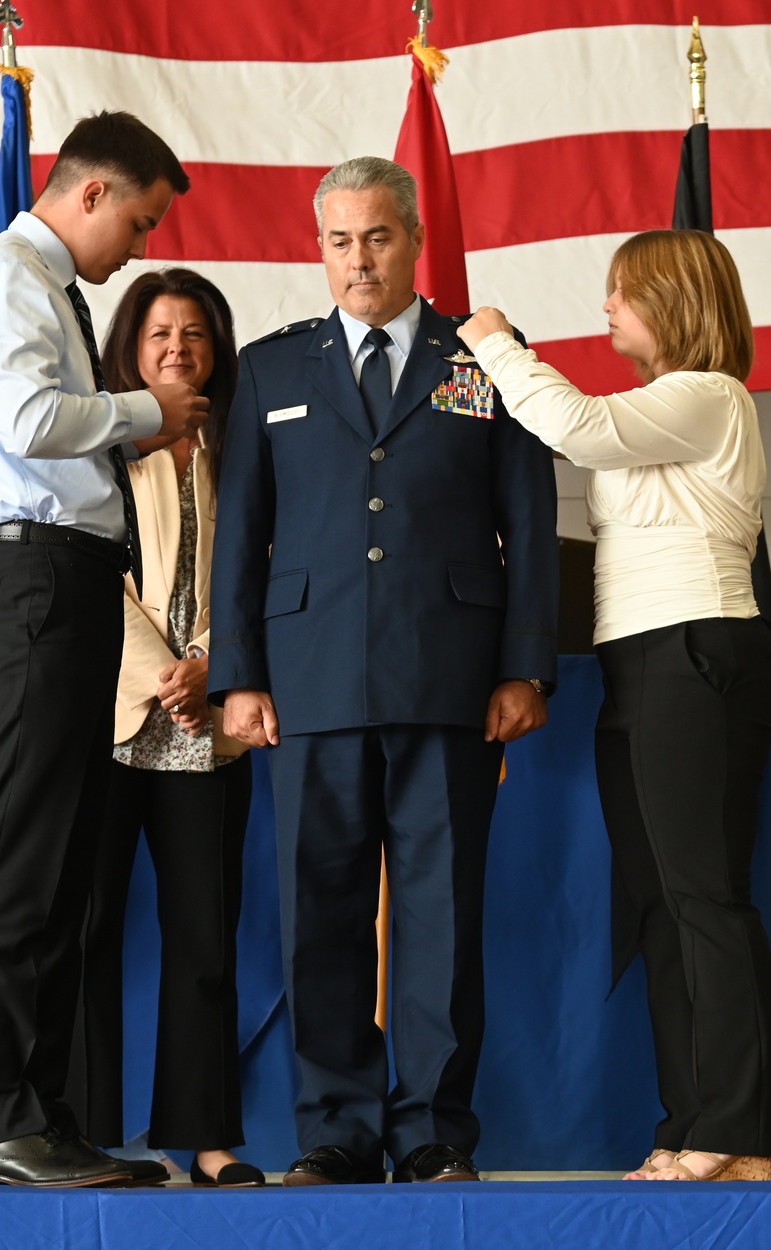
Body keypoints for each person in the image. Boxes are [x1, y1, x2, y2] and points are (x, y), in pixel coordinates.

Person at [207, 156, 560, 1186]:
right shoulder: (272, 367)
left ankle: (433, 1130)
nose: (357, 260)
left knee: (440, 915)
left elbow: (529, 524)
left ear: (412, 239)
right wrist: (240, 672)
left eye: (376, 238)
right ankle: (335, 1129)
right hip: (307, 678)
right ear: (318, 249)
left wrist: (525, 664)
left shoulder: (482, 356)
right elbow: (244, 536)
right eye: (337, 241)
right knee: (318, 911)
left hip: (452, 676)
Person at [458, 228, 771, 1182]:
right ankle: (698, 1124)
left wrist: (493, 341)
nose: (605, 308)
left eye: (620, 292)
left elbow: (576, 428)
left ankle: (740, 1129)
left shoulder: (708, 396)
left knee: (702, 898)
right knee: (657, 905)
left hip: (701, 655)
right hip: (643, 661)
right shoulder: (664, 409)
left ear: (672, 301)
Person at [0, 111, 208, 1187]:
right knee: (18, 863)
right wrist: (147, 408)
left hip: (71, 584)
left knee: (57, 869)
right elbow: (23, 413)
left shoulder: (51, 290)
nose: (138, 247)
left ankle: (42, 1117)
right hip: (33, 583)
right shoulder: (9, 274)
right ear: (90, 193)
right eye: (139, 221)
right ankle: (1, 1120)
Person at [80, 268, 263, 1188]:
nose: (177, 350)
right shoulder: (102, 440)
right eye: (158, 335)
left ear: (217, 348)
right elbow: (84, 575)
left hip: (210, 723)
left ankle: (205, 1138)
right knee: (88, 927)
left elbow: (266, 573)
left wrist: (213, 674)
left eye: (194, 334)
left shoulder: (247, 446)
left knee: (204, 935)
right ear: (130, 349)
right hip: (114, 715)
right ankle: (79, 1137)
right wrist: (164, 675)